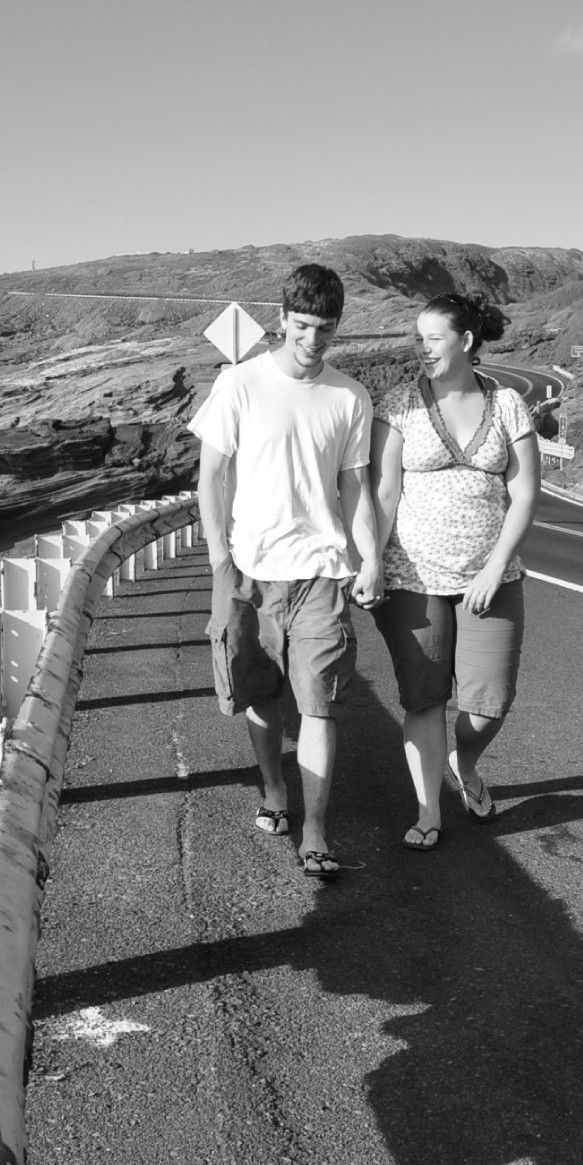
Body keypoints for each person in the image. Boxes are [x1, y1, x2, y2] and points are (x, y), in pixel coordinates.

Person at [189, 264, 381, 880]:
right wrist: (221, 558)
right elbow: (211, 477)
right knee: (262, 694)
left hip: (322, 573)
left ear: (337, 327)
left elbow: (355, 488)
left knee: (319, 703)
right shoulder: (240, 385)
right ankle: (273, 789)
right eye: (302, 326)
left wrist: (369, 557)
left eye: (325, 329)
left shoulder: (350, 396)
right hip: (249, 571)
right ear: (281, 319)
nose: (313, 340)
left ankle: (317, 830)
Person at [367, 292, 540, 850]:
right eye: (418, 338)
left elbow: (524, 492)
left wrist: (494, 569)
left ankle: (467, 766)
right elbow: (385, 491)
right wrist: (369, 561)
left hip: (491, 578)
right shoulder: (398, 404)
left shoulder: (508, 402)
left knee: (489, 701)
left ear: (465, 341)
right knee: (422, 700)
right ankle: (427, 810)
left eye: (433, 338)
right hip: (410, 580)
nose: (423, 348)